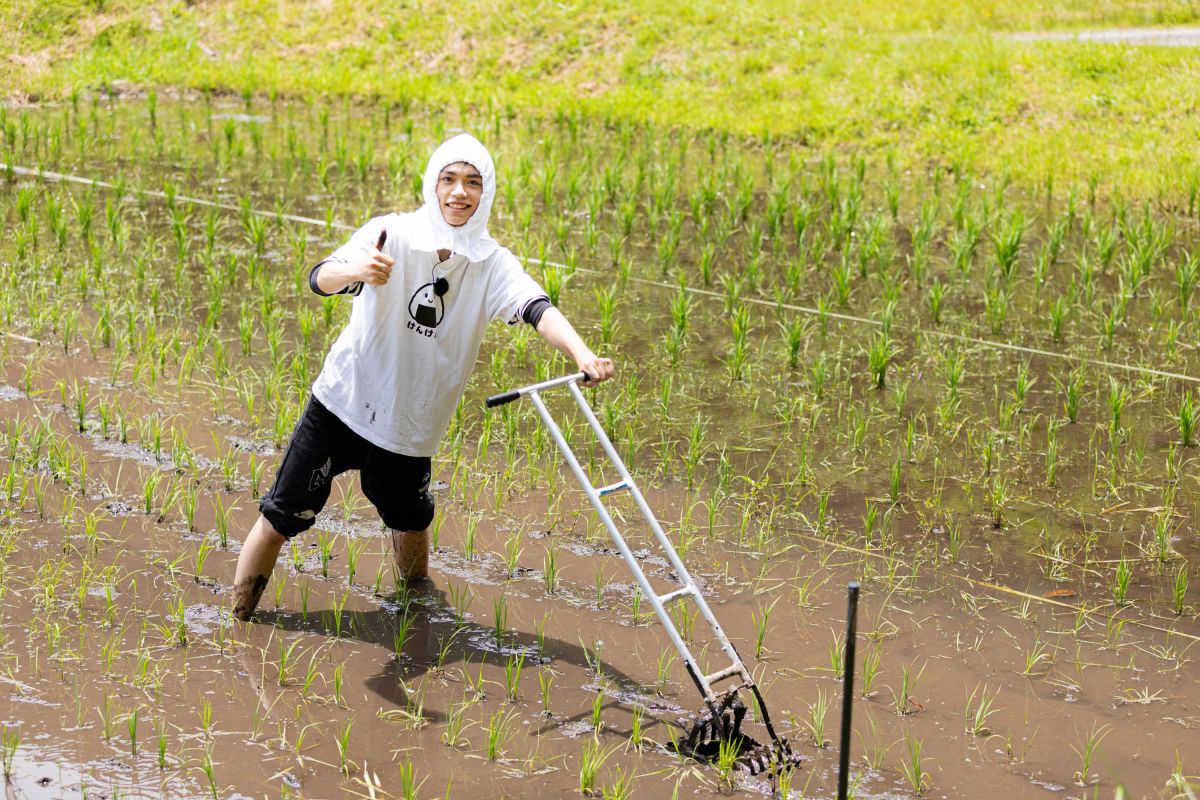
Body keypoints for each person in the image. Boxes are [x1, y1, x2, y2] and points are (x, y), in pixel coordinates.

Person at [230, 133, 613, 621]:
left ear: (485, 193)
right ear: (432, 185)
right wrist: (357, 268)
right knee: (280, 519)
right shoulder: (392, 233)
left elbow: (537, 308)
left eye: (472, 183)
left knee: (411, 521)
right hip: (343, 403)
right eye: (449, 179)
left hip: (412, 424)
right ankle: (239, 621)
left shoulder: (492, 263)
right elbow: (320, 278)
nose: (459, 192)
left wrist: (582, 353)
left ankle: (415, 612)